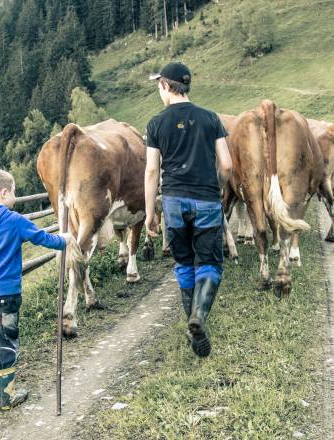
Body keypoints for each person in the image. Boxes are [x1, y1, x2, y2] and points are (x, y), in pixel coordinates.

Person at [0, 169, 72, 410]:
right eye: (14, 192)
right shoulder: (13, 220)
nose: (15, 197)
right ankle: (8, 394)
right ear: (4, 193)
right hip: (7, 294)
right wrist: (64, 240)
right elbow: (41, 238)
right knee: (8, 338)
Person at [145, 62, 232, 357]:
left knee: (184, 262)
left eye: (159, 86)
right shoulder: (211, 119)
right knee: (209, 262)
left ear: (167, 86)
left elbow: (151, 172)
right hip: (206, 198)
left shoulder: (156, 124)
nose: (160, 91)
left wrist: (150, 212)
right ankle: (199, 316)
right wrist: (216, 187)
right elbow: (228, 165)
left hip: (172, 202)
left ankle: (192, 324)